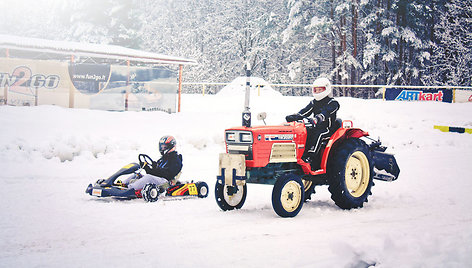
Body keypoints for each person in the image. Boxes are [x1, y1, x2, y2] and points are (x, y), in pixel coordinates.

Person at [285, 77, 340, 167]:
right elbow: (305, 111)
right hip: (315, 125)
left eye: (320, 90)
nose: (318, 92)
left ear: (326, 89)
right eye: (316, 90)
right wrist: (296, 116)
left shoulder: (333, 103)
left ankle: (310, 156)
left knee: (318, 134)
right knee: (304, 132)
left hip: (328, 128)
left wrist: (318, 118)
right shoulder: (314, 102)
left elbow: (326, 112)